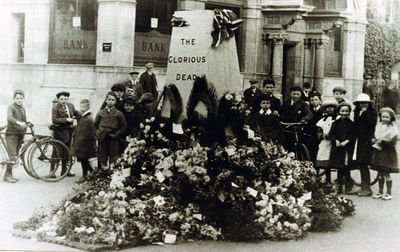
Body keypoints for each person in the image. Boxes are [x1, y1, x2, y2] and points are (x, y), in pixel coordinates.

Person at [351, 93, 377, 196]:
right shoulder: (357, 112)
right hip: (359, 141)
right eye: (361, 103)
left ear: (368, 104)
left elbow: (372, 124)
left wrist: (365, 113)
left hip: (367, 141)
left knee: (364, 163)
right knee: (360, 164)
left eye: (365, 103)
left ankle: (367, 188)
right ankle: (363, 186)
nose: (363, 105)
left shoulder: (372, 113)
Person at [371, 107, 399, 200]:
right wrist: (374, 140)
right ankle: (380, 191)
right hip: (379, 152)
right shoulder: (379, 126)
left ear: (391, 118)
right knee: (380, 173)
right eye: (383, 117)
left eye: (387, 117)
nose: (385, 119)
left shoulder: (393, 129)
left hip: (388, 153)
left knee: (386, 173)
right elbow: (376, 136)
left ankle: (388, 192)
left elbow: (392, 142)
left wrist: (382, 142)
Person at [95, 92, 127, 168]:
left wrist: (117, 134)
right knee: (102, 157)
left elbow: (124, 126)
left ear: (115, 102)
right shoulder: (100, 113)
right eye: (109, 99)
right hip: (102, 138)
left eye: (113, 100)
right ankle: (101, 175)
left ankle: (111, 175)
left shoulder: (118, 113)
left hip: (113, 138)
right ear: (106, 100)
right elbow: (95, 125)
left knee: (114, 158)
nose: (111, 101)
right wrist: (98, 133)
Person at [52, 91, 80, 177]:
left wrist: (82, 115)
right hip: (59, 131)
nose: (63, 101)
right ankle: (51, 171)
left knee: (67, 151)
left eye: (65, 99)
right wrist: (66, 120)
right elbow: (54, 120)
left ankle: (64, 170)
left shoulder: (70, 106)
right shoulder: (55, 107)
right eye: (61, 99)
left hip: (68, 132)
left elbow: (76, 113)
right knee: (56, 151)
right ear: (58, 99)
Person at [328, 102, 355, 194]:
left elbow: (353, 134)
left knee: (346, 168)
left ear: (349, 112)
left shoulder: (351, 123)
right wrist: (335, 140)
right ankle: (339, 187)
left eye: (346, 111)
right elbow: (331, 134)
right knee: (339, 168)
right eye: (342, 111)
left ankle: (348, 186)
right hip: (338, 148)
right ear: (339, 112)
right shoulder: (335, 123)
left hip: (346, 148)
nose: (344, 113)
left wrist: (347, 141)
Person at [3, 90, 27, 183]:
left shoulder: (23, 108)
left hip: (20, 135)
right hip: (11, 134)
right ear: (14, 99)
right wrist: (18, 122)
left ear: (23, 99)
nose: (19, 100)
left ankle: (9, 174)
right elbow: (9, 118)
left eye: (21, 98)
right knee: (12, 156)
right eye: (17, 98)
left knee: (15, 155)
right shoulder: (11, 108)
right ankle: (7, 176)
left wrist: (25, 127)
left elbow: (24, 121)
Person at [71, 99, 97, 183]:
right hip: (80, 142)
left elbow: (92, 131)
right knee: (83, 160)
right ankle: (90, 174)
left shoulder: (89, 118)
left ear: (88, 107)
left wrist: (93, 141)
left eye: (84, 106)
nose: (82, 108)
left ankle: (86, 175)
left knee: (85, 159)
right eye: (81, 106)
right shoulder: (82, 116)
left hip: (86, 143)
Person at [280, 86, 313, 152]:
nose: (295, 96)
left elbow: (310, 114)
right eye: (294, 94)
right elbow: (281, 113)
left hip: (297, 127)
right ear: (290, 94)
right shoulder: (286, 102)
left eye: (297, 94)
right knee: (284, 144)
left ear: (300, 94)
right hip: (285, 127)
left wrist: (304, 119)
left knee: (297, 144)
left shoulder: (303, 104)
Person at [315, 98, 338, 183]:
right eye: (327, 108)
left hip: (334, 142)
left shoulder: (337, 119)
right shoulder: (322, 120)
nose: (329, 109)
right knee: (324, 161)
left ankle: (339, 180)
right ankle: (327, 179)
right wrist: (321, 135)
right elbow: (319, 130)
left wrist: (333, 136)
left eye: (331, 107)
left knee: (335, 162)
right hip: (325, 142)